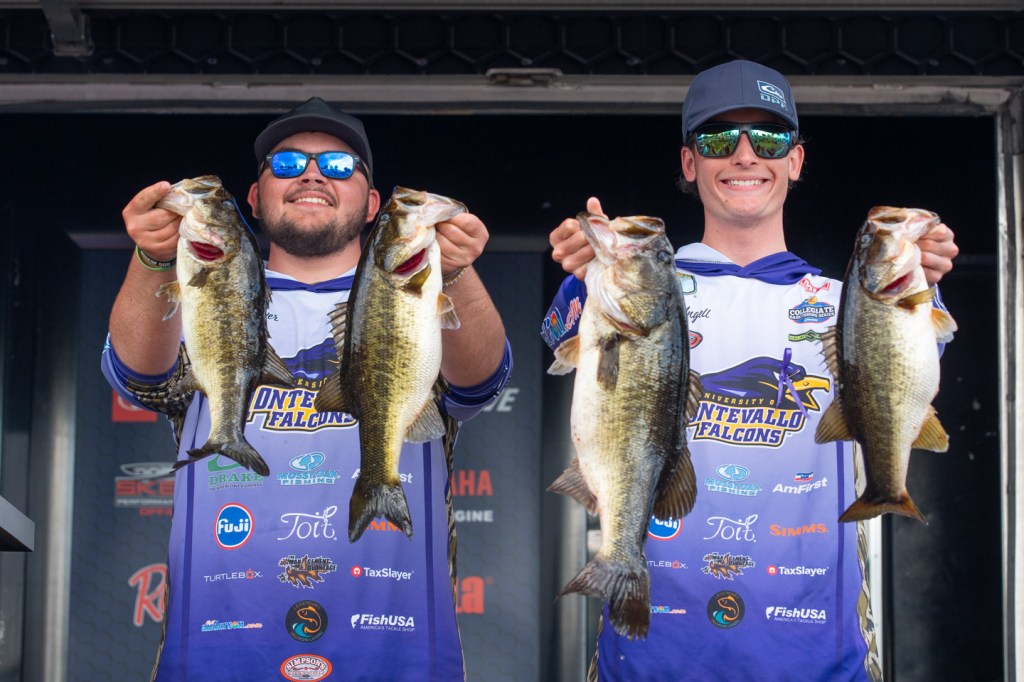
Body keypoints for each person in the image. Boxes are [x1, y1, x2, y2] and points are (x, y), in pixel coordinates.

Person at [542, 60, 958, 681]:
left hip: (820, 663)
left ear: (795, 160)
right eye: (718, 139)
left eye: (767, 138)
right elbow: (557, 343)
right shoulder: (639, 288)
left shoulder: (854, 303)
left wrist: (923, 282)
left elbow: (911, 377)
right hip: (652, 662)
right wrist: (585, 276)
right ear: (690, 163)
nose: (744, 155)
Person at [101, 97, 511, 681]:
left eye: (339, 166)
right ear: (254, 197)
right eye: (288, 164)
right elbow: (139, 376)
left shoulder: (417, 298)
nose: (313, 175)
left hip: (397, 658)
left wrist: (457, 270)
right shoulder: (207, 287)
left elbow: (481, 381)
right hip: (218, 657)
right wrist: (153, 258)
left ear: (372, 204)